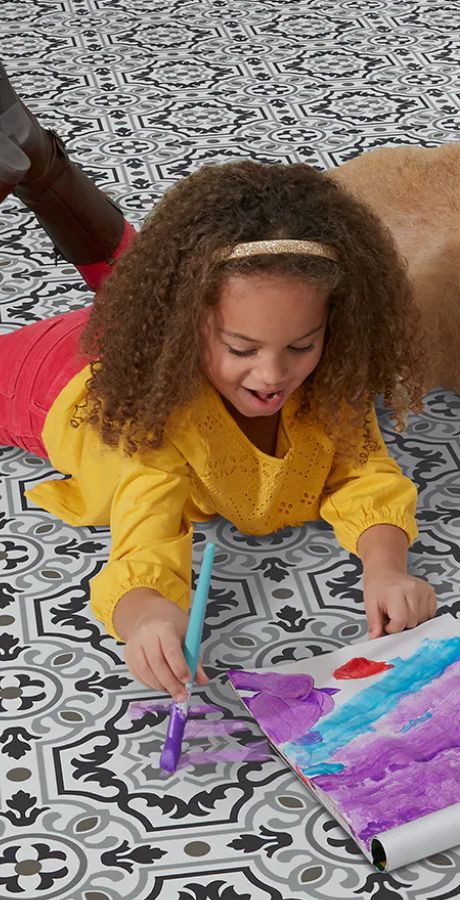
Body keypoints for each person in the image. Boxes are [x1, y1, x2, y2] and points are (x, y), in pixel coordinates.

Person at [0, 64, 436, 700]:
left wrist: (386, 565)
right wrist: (146, 613)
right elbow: (146, 529)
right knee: (134, 289)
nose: (274, 374)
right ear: (185, 329)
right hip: (52, 380)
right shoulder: (151, 422)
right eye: (243, 348)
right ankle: (44, 165)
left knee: (141, 278)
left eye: (301, 345)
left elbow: (365, 473)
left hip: (149, 331)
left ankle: (43, 161)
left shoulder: (324, 374)